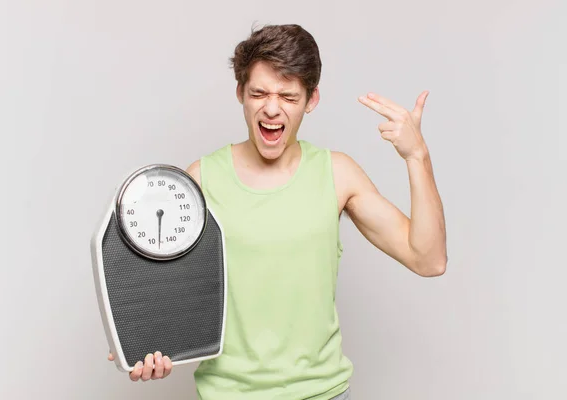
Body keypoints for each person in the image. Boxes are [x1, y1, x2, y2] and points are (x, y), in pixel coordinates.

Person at [108, 23, 447, 399]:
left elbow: (428, 260)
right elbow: (164, 291)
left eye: (288, 96)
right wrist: (141, 343)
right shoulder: (201, 179)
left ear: (311, 99)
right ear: (241, 94)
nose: (272, 108)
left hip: (322, 393)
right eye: (259, 93)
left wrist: (418, 156)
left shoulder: (337, 174)